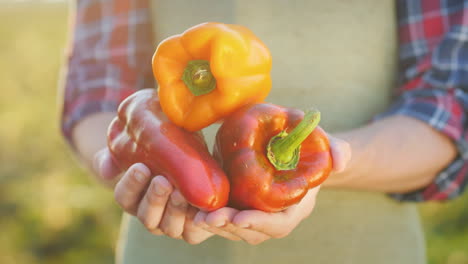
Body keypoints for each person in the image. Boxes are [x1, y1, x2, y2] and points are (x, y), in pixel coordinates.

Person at [61, 0, 468, 263]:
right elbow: (98, 87)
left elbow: (448, 108)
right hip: (165, 243)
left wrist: (331, 161)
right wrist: (124, 162)